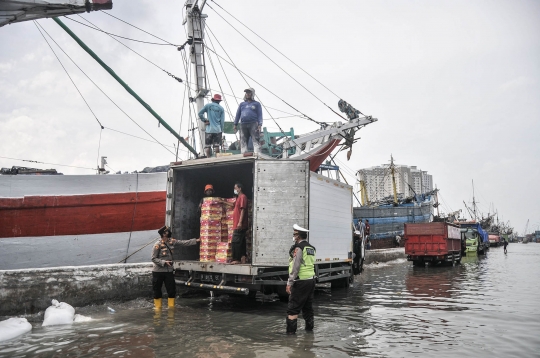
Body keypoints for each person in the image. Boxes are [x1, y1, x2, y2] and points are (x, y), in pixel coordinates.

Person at [152, 226, 200, 309]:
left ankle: (171, 309)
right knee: (157, 290)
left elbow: (183, 242)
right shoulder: (157, 245)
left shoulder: (171, 241)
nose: (169, 233)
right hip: (158, 271)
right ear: (163, 234)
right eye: (167, 232)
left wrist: (196, 240)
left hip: (169, 271)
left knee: (171, 290)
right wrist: (164, 262)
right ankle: (157, 309)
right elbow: (153, 258)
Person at [286, 224, 316, 335]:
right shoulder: (311, 248)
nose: (293, 236)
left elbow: (295, 267)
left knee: (293, 308)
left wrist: (289, 283)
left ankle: (290, 337)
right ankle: (309, 334)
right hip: (311, 281)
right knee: (308, 308)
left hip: (300, 282)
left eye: (294, 234)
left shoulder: (299, 248)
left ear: (298, 236)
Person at [222, 182, 248, 264]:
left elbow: (243, 209)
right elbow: (233, 205)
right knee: (242, 241)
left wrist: (240, 222)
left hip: (240, 224)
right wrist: (223, 202)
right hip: (239, 224)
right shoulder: (238, 198)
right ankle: (243, 257)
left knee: (235, 242)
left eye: (235, 188)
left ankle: (236, 259)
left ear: (240, 188)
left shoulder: (243, 197)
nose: (234, 190)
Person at [234, 88, 263, 154]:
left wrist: (260, 124)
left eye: (249, 92)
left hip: (253, 124)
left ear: (252, 94)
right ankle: (244, 154)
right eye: (246, 93)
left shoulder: (257, 104)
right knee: (243, 140)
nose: (247, 94)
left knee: (255, 139)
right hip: (243, 124)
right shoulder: (242, 104)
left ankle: (257, 154)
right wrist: (235, 124)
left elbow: (260, 114)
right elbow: (238, 114)